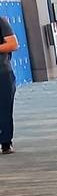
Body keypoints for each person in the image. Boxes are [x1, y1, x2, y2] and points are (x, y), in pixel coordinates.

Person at [0, 15, 19, 154]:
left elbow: (13, 44)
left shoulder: (1, 22)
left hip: (2, 73)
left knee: (4, 110)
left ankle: (6, 142)